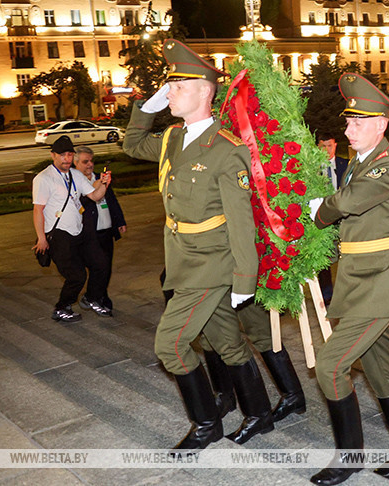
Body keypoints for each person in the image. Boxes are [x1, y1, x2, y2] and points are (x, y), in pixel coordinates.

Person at [123, 39, 273, 450]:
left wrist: (246, 276)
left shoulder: (227, 150)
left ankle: (207, 425)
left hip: (211, 261)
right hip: (181, 258)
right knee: (224, 341)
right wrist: (147, 108)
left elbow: (241, 221)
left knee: (170, 346)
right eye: (168, 87)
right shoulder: (173, 138)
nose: (169, 92)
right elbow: (133, 145)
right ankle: (260, 413)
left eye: (177, 86)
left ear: (205, 92)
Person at [308, 73, 389, 485]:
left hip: (380, 282)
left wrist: (320, 210)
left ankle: (349, 456)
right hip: (358, 278)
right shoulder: (360, 161)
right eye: (348, 121)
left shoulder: (388, 163)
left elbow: (350, 202)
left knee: (330, 365)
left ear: (381, 124)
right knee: (380, 371)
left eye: (357, 122)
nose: (348, 128)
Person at [32, 136, 112, 322]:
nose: (66, 159)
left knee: (101, 263)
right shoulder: (44, 178)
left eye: (69, 155)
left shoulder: (76, 175)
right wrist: (41, 238)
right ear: (53, 155)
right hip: (59, 233)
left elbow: (94, 195)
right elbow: (38, 210)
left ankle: (91, 298)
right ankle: (62, 308)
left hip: (79, 230)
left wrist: (104, 183)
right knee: (76, 275)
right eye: (62, 155)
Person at [74, 146, 126, 312]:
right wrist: (96, 187)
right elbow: (80, 204)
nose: (90, 164)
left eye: (91, 161)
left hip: (106, 231)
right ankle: (94, 297)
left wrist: (120, 220)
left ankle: (99, 296)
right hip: (89, 234)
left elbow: (111, 200)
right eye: (85, 161)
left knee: (106, 267)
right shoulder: (75, 182)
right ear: (76, 163)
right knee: (99, 266)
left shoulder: (99, 177)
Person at [316, 131, 349, 304]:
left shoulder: (346, 165)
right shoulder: (312, 169)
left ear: (335, 145)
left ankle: (347, 291)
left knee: (346, 256)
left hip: (343, 219)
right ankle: (327, 295)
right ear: (318, 147)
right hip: (323, 220)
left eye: (330, 146)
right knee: (324, 261)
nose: (327, 150)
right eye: (323, 146)